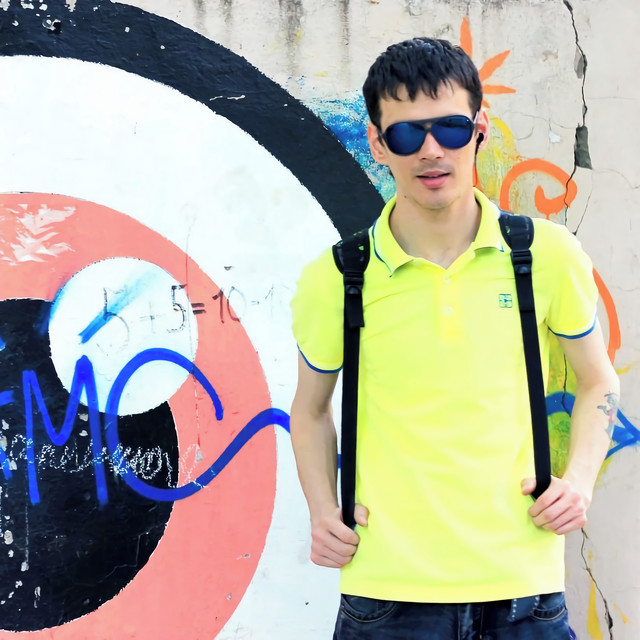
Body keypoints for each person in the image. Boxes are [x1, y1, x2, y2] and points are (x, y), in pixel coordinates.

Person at [289, 37, 619, 639]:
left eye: (450, 128)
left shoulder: (544, 256)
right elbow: (310, 411)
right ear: (377, 143)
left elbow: (599, 381)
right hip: (387, 593)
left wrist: (578, 483)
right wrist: (321, 511)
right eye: (406, 134)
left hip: (523, 588)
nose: (431, 150)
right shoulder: (337, 276)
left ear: (479, 129)